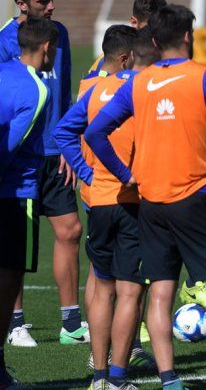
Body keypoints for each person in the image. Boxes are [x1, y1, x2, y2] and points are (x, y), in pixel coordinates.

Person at [85, 4, 206, 390]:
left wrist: (127, 175)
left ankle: (169, 380)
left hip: (150, 202)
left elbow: (96, 133)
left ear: (155, 40)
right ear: (187, 36)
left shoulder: (137, 82)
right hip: (196, 196)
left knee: (159, 292)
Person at [87, 0, 206, 319]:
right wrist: (91, 169)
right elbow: (82, 127)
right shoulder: (118, 74)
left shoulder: (170, 72)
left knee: (136, 272)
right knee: (112, 276)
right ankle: (120, 345)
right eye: (150, 28)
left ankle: (117, 353)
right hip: (115, 188)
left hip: (144, 186)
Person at [56, 26, 162, 388]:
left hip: (99, 200)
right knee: (130, 291)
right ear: (129, 56)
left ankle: (98, 377)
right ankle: (118, 378)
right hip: (135, 201)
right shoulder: (146, 88)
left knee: (102, 287)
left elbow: (64, 133)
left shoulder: (94, 89)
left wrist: (86, 172)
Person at [0, 0, 87, 348]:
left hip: (57, 153)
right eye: (42, 2)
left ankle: (71, 323)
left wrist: (71, 143)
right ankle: (15, 322)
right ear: (22, 5)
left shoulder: (60, 33)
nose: (52, 7)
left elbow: (64, 92)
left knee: (70, 231)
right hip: (21, 159)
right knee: (17, 246)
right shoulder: (5, 41)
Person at [0, 16, 58, 390]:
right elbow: (8, 147)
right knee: (7, 283)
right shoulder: (37, 90)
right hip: (14, 196)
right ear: (47, 48)